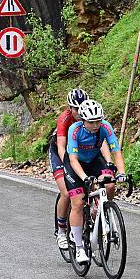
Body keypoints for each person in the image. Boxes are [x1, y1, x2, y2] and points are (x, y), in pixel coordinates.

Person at [62, 99, 127, 264]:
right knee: (77, 203)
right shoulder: (74, 130)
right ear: (83, 120)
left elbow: (116, 151)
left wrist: (121, 172)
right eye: (92, 121)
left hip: (93, 159)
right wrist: (84, 178)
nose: (96, 124)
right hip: (75, 164)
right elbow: (74, 159)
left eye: (98, 120)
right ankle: (79, 248)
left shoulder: (105, 127)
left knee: (110, 183)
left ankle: (102, 209)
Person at [49, 88, 88, 249]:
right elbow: (61, 148)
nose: (79, 112)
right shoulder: (64, 119)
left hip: (80, 153)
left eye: (81, 107)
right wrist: (68, 166)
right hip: (61, 153)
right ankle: (61, 230)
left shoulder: (90, 116)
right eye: (76, 108)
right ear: (69, 108)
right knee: (66, 192)